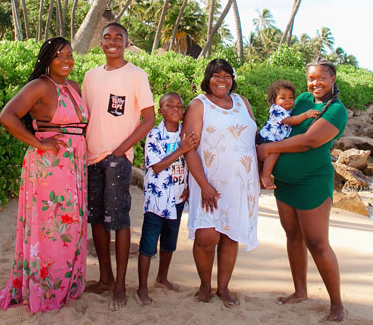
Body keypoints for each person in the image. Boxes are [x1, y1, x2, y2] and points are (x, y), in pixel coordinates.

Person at [0, 37, 88, 313]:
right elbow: (7, 116)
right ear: (47, 59)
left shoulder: (73, 86)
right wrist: (39, 143)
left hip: (74, 164)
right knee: (51, 226)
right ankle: (45, 290)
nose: (67, 61)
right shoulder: (39, 86)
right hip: (50, 166)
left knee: (70, 226)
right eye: (59, 56)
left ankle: (64, 285)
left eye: (70, 55)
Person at [257, 59, 348, 322]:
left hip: (312, 182)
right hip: (285, 184)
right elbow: (282, 124)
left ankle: (337, 305)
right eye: (311, 78)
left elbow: (308, 141)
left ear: (332, 79)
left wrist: (269, 149)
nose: (315, 83)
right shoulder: (304, 100)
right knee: (293, 236)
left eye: (321, 78)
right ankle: (300, 291)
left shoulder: (337, 111)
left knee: (317, 243)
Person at [82, 22, 155, 310]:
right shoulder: (90, 77)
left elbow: (148, 118)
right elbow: (87, 117)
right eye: (107, 37)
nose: (112, 42)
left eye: (118, 37)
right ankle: (105, 279)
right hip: (92, 157)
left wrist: (122, 150)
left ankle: (121, 284)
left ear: (126, 42)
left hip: (118, 158)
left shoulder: (136, 75)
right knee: (97, 220)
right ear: (101, 43)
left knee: (120, 221)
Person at [183, 59, 259, 307]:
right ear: (208, 78)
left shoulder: (242, 102)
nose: (222, 81)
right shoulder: (198, 105)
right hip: (209, 181)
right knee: (206, 237)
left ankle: (223, 288)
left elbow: (252, 140)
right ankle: (205, 285)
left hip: (240, 184)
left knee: (230, 236)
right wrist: (204, 184)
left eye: (227, 76)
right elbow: (189, 148)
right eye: (216, 76)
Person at [136, 93, 199, 306]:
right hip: (157, 199)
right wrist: (182, 149)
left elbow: (192, 162)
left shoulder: (186, 134)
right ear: (160, 111)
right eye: (169, 105)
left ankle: (162, 278)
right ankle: (142, 287)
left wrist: (189, 185)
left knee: (170, 242)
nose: (175, 108)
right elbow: (157, 166)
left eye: (179, 106)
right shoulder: (154, 135)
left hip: (177, 197)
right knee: (148, 244)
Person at [257, 80, 321, 190]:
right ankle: (266, 176)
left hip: (273, 139)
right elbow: (290, 121)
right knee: (274, 154)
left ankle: (260, 176)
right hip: (268, 138)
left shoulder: (288, 110)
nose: (288, 100)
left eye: (291, 97)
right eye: (283, 98)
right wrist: (306, 115)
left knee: (265, 160)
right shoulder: (276, 109)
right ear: (274, 100)